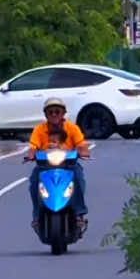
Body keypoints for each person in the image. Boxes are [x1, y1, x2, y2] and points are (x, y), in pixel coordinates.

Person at [23, 99, 90, 234]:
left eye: (57, 111)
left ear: (63, 113)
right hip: (45, 166)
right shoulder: (39, 129)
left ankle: (79, 214)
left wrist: (83, 151)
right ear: (46, 114)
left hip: (68, 165)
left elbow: (82, 144)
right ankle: (37, 216)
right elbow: (33, 146)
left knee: (78, 179)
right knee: (34, 183)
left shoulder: (72, 128)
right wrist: (31, 155)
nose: (54, 114)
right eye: (50, 112)